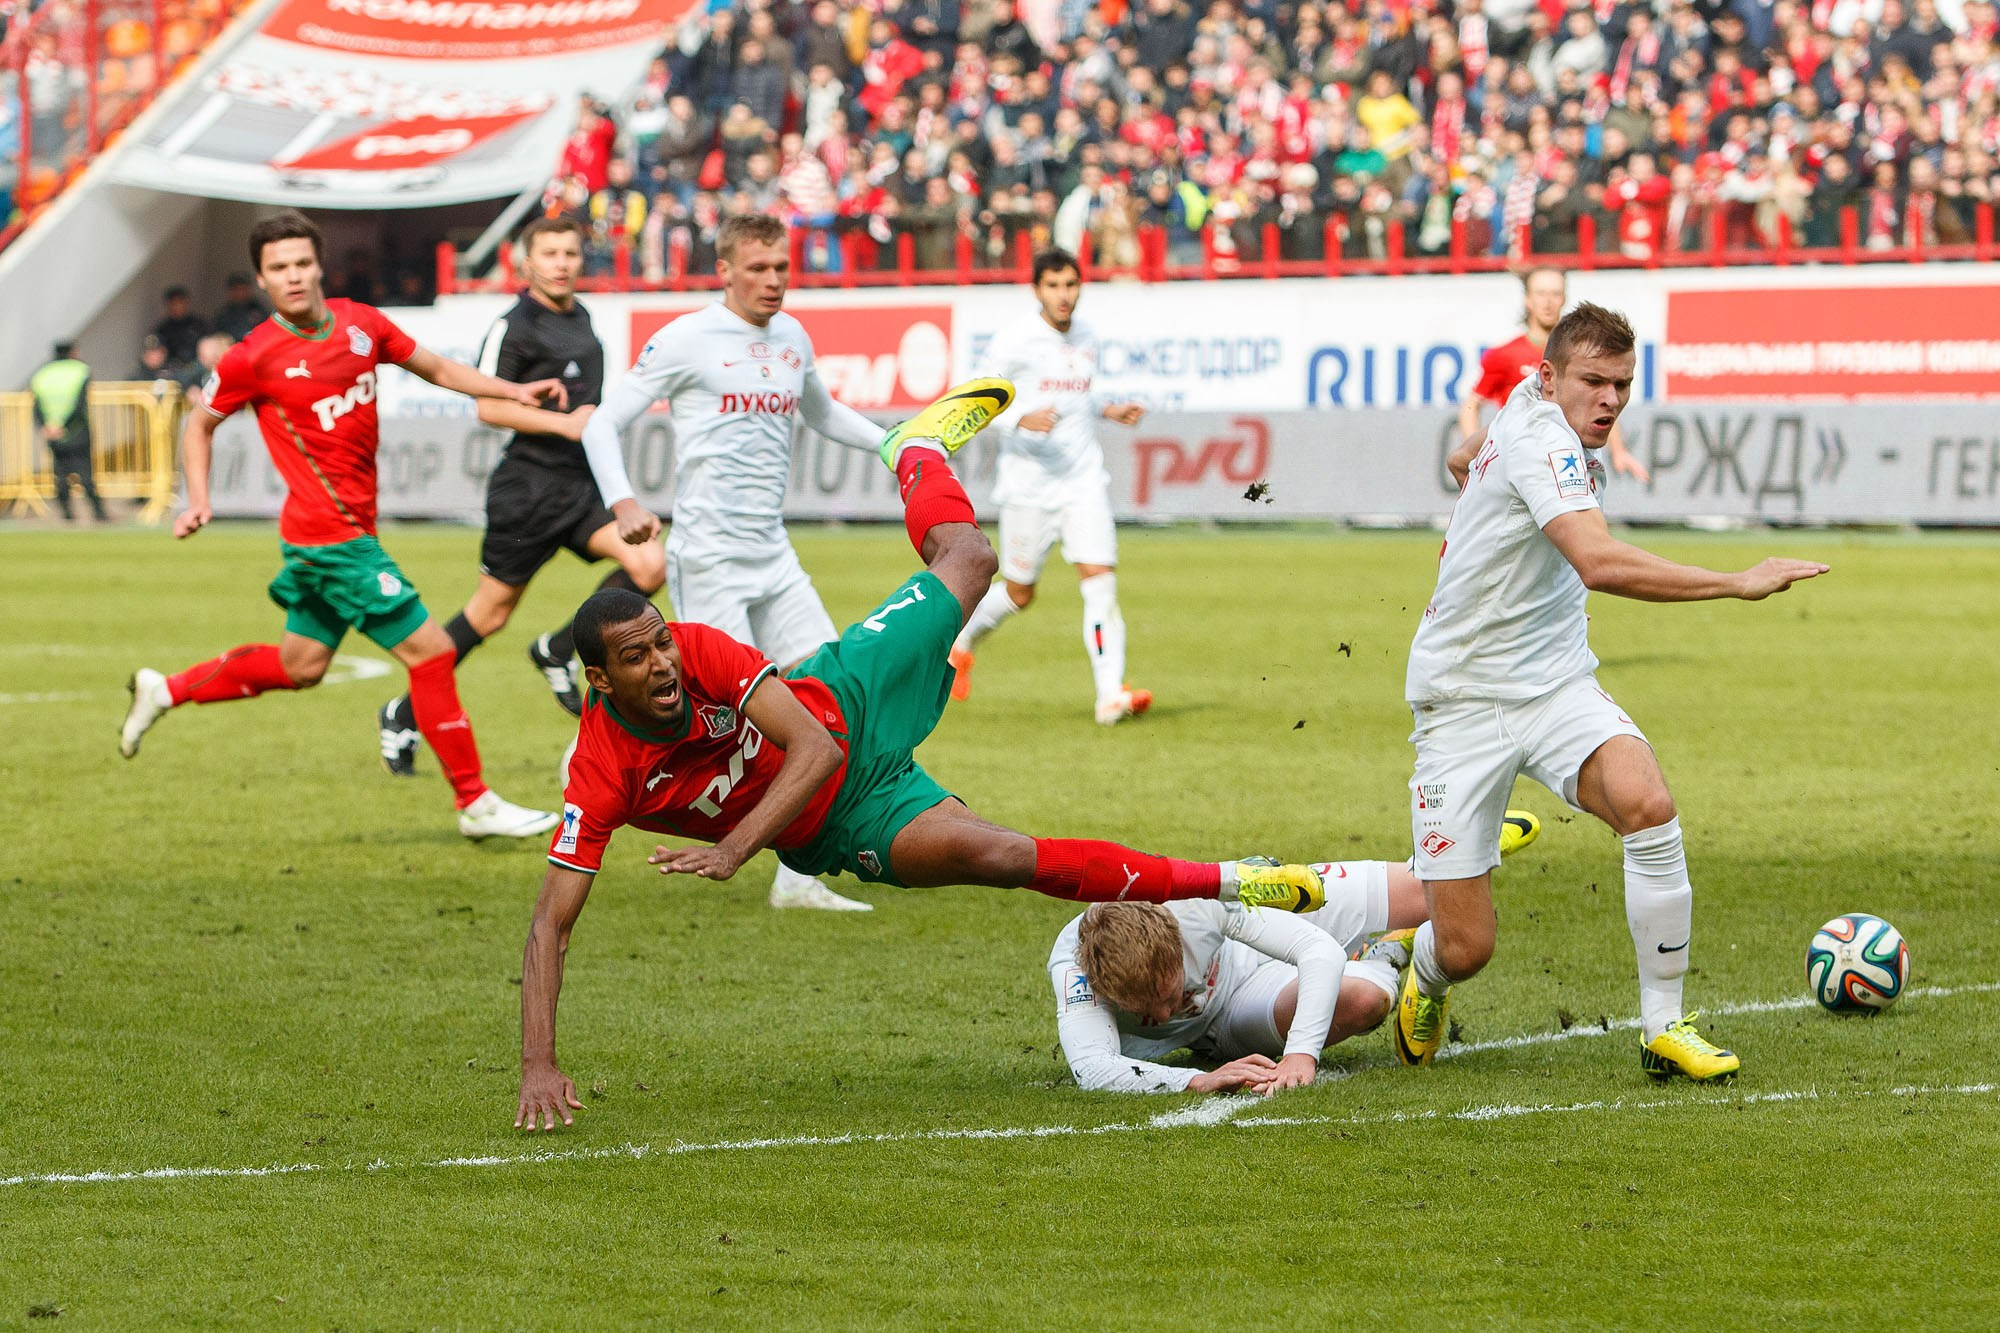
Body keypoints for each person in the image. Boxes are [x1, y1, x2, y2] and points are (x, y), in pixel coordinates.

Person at [516, 403, 1333, 1130]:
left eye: (661, 640)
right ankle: (1227, 881)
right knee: (1002, 855)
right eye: (638, 655)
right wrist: (537, 1064)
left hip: (846, 698)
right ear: (599, 679)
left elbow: (815, 746)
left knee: (972, 557)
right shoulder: (600, 772)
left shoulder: (698, 650)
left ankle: (915, 449)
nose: (663, 662)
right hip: (845, 821)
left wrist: (734, 848)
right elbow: (551, 922)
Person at [1398, 302, 1828, 1080]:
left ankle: (1662, 1025)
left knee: (1648, 802)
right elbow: (1597, 562)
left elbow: (1467, 454)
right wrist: (1737, 580)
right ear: (1549, 376)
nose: (1610, 399)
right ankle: (1421, 969)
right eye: (1593, 381)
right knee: (1468, 949)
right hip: (1461, 700)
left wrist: (1479, 503)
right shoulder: (1542, 442)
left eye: (1623, 384)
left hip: (1557, 682)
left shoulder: (1523, 414)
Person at [118, 210, 568, 842]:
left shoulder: (363, 324)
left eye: (302, 262)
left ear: (318, 265)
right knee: (434, 653)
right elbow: (199, 422)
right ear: (262, 278)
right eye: (279, 268)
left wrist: (512, 392)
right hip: (331, 539)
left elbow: (438, 368)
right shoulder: (256, 356)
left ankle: (165, 689)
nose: (293, 275)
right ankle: (475, 801)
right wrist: (197, 497)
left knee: (301, 666)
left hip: (341, 534)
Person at [574, 213, 903, 913]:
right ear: (723, 270)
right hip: (710, 558)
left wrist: (892, 446)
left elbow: (823, 412)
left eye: (782, 266)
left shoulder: (792, 338)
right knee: (746, 728)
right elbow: (602, 422)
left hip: (774, 553)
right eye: (758, 268)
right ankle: (606, 774)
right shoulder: (688, 338)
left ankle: (798, 874)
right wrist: (622, 502)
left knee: (832, 699)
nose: (775, 280)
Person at [374, 216, 664, 776]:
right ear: (526, 263)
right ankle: (402, 711)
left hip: (579, 489)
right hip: (527, 493)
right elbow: (487, 406)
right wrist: (563, 424)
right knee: (489, 614)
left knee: (650, 562)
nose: (561, 263)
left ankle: (558, 649)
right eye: (550, 253)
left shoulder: (584, 320)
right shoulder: (515, 326)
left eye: (571, 253)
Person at [947, 248, 1152, 726]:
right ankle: (960, 642)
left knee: (1100, 582)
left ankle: (1109, 697)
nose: (1064, 295)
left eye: (1071, 285)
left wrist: (1107, 409)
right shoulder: (1016, 340)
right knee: (1019, 592)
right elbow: (973, 396)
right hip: (1029, 488)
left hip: (1083, 483)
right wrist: (1020, 418)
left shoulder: (1088, 336)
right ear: (1037, 289)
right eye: (1054, 285)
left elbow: (1076, 393)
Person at [1053, 864, 1425, 1095]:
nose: (1165, 1015)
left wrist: (1300, 1055)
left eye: (1170, 995)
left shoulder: (1192, 904)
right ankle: (1384, 957)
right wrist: (1196, 1080)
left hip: (1247, 949)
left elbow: (1318, 951)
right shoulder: (1077, 967)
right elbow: (1092, 1067)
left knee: (1424, 891)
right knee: (1365, 1000)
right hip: (1233, 1014)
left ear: (1175, 943)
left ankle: (1423, 968)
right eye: (1145, 1010)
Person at [1454, 267, 1648, 486]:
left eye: (1555, 294)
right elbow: (1471, 405)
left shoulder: (1579, 355)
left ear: (1564, 299)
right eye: (1541, 293)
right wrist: (1478, 453)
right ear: (1528, 300)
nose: (1548, 302)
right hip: (1521, 463)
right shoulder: (1504, 355)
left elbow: (1600, 401)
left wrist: (1619, 451)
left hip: (1568, 460)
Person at [28, 340, 105, 522]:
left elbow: (37, 405)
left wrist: (46, 426)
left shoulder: (42, 374)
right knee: (85, 473)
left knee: (60, 474)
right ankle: (99, 514)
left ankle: (67, 514)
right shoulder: (79, 371)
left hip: (52, 432)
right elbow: (79, 404)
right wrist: (64, 424)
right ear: (72, 352)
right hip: (75, 430)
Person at [213, 273, 268, 342]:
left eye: (243, 289)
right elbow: (217, 336)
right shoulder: (223, 314)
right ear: (231, 292)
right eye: (237, 289)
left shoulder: (260, 310)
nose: (241, 293)